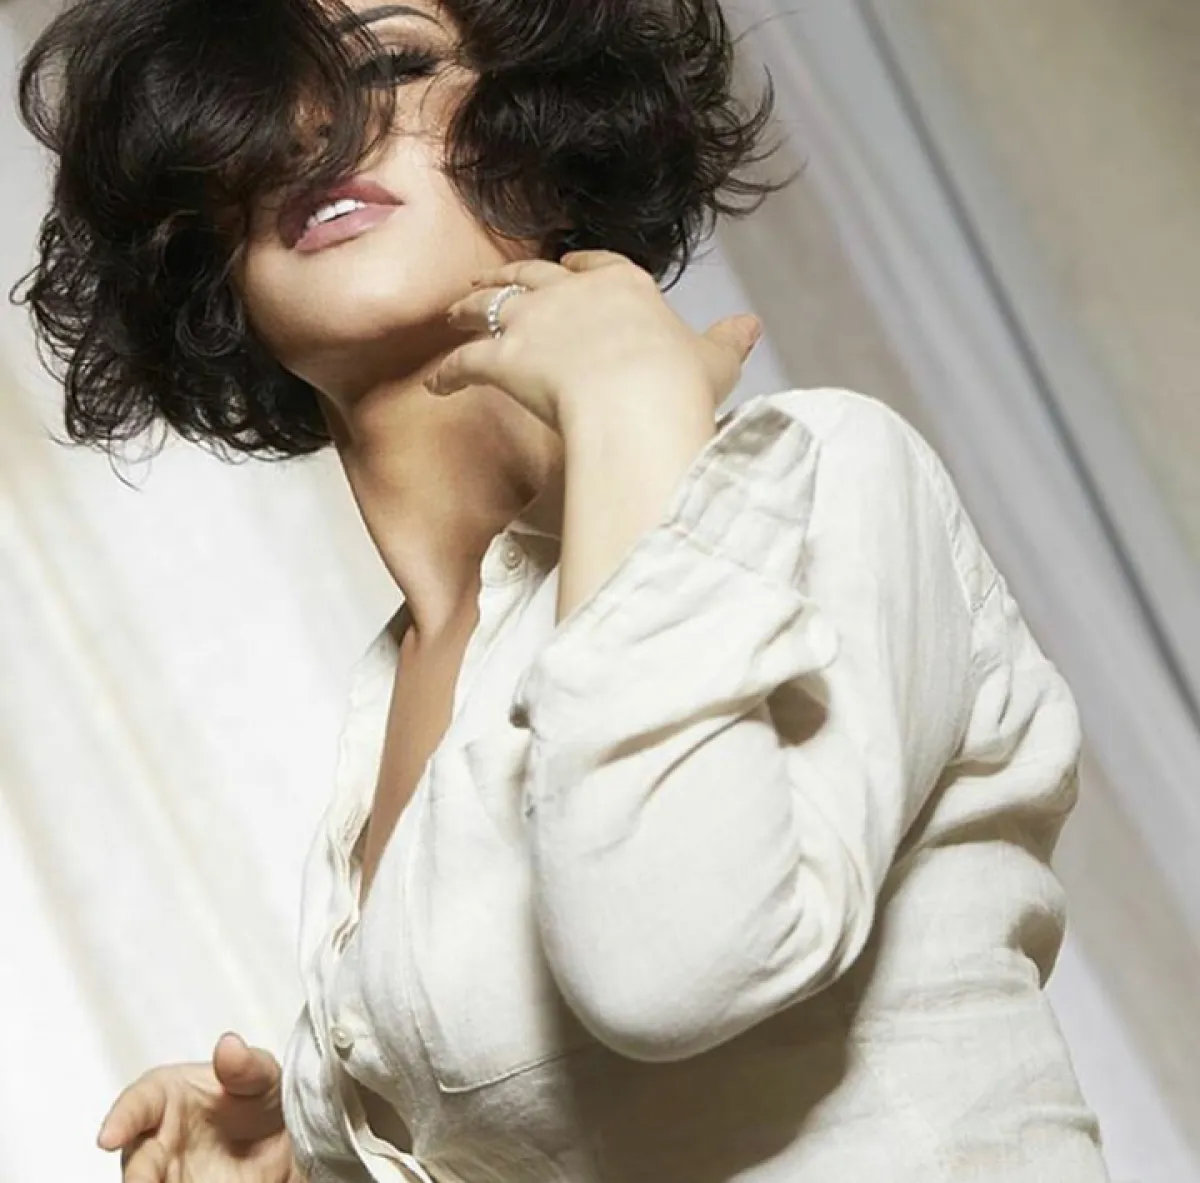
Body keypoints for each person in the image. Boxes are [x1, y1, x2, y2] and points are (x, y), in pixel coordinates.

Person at [18, 0, 1113, 1179]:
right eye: (251, 101)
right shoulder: (391, 697)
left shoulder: (816, 481)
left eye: (392, 62)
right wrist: (326, 1152)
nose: (314, 125)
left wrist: (630, 406)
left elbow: (674, 963)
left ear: (551, 129)